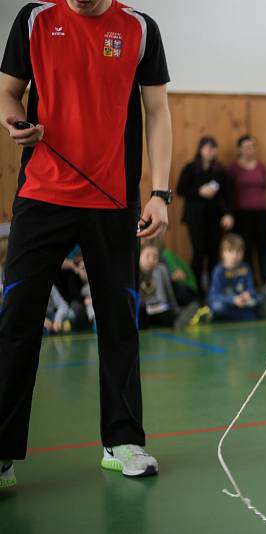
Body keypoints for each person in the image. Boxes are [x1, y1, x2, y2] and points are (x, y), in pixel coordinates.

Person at [0, 0, 170, 487]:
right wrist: (15, 122)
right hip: (41, 195)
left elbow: (157, 111)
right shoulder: (34, 20)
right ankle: (2, 451)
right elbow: (8, 92)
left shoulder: (139, 28)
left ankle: (122, 441)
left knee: (119, 321)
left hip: (113, 199)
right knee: (17, 322)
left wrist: (159, 192)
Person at [177, 136, 235, 292]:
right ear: (201, 149)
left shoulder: (220, 171)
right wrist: (199, 191)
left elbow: (228, 195)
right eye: (208, 147)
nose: (211, 151)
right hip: (194, 218)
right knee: (198, 253)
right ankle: (195, 291)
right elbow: (180, 190)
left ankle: (213, 290)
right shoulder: (190, 168)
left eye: (214, 148)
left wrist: (229, 214)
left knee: (214, 255)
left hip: (215, 219)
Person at [229, 134, 266, 283]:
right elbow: (230, 191)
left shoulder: (261, 167)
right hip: (242, 214)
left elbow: (264, 186)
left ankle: (265, 282)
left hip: (261, 213)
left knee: (262, 248)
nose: (249, 150)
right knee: (245, 250)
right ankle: (249, 283)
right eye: (246, 147)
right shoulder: (234, 168)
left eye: (252, 147)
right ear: (240, 150)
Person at [207, 233, 261, 322]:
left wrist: (247, 294)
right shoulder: (219, 271)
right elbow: (214, 295)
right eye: (230, 251)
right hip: (227, 303)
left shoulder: (245, 267)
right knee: (218, 307)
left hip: (242, 302)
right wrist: (232, 300)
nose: (235, 255)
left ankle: (237, 316)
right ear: (223, 253)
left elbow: (251, 289)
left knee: (260, 300)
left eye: (239, 252)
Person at [138, 240, 178, 329]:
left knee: (170, 318)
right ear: (139, 256)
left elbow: (169, 291)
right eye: (147, 256)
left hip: (159, 308)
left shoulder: (161, 270)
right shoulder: (135, 272)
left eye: (155, 257)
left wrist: (174, 309)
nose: (151, 260)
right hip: (143, 309)